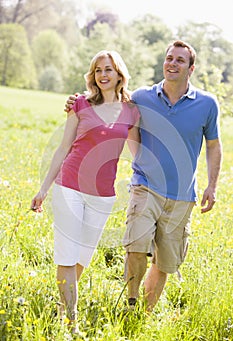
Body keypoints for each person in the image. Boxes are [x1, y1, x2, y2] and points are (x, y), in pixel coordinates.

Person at [64, 40, 222, 314]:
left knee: (165, 263)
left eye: (180, 60)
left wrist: (212, 185)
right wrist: (77, 100)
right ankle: (130, 303)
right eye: (169, 58)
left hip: (183, 196)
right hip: (145, 186)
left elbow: (213, 145)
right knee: (135, 246)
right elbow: (108, 97)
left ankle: (143, 315)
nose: (172, 63)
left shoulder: (207, 104)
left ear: (191, 68)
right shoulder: (142, 97)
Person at [31, 50, 140, 332]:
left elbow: (138, 153)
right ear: (93, 76)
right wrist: (44, 189)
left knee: (82, 258)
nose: (103, 75)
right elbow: (63, 147)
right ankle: (71, 322)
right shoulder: (79, 104)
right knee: (67, 255)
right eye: (98, 70)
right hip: (70, 186)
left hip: (103, 195)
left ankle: (61, 307)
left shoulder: (131, 111)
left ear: (119, 74)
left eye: (109, 69)